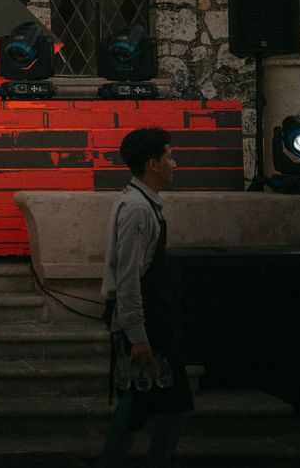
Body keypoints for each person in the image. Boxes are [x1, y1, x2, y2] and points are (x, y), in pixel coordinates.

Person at [96, 126, 192, 468]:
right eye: (170, 157)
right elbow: (128, 277)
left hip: (149, 322)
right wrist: (138, 336)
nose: (174, 164)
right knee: (150, 407)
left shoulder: (139, 202)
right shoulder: (138, 209)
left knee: (146, 407)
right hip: (147, 326)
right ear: (153, 163)